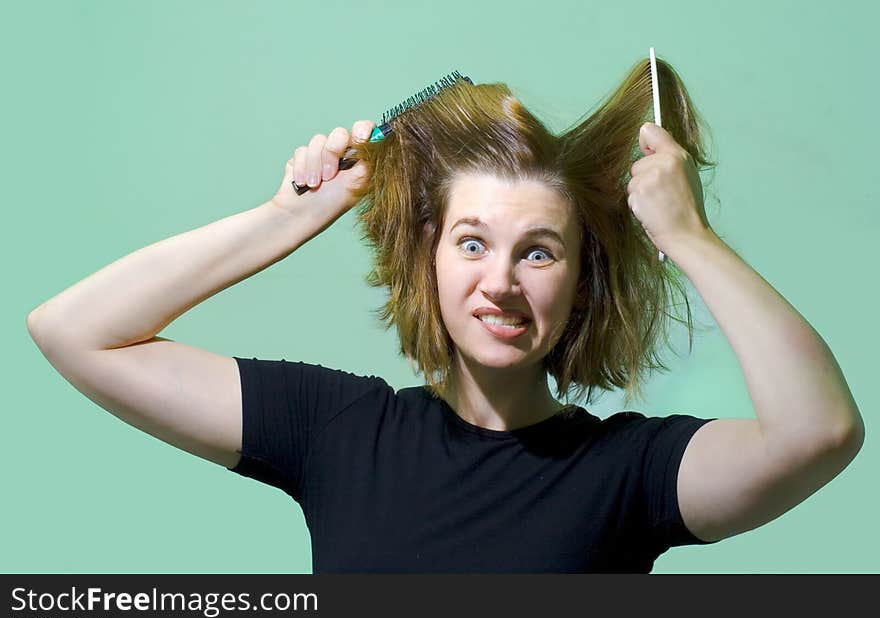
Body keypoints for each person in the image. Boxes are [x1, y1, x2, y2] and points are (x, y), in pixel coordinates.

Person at [27, 61, 864, 573]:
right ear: (427, 259)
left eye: (538, 252)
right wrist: (283, 220)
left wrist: (689, 236)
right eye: (472, 244)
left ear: (580, 282)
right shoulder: (338, 431)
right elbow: (74, 330)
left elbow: (818, 431)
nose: (500, 281)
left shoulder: (631, 473)